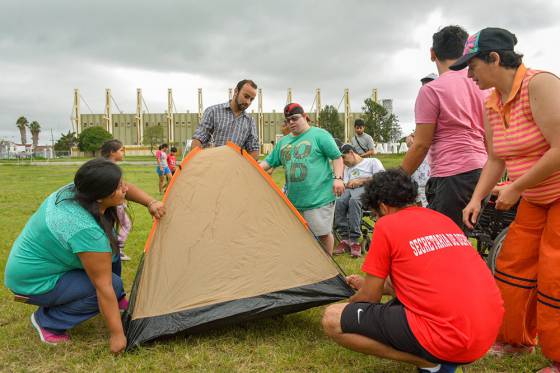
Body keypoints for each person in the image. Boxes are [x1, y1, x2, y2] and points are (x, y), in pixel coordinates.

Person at [322, 169, 504, 373]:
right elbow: (418, 280)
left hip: (450, 338)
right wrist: (367, 284)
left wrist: (351, 304)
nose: (376, 219)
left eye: (374, 214)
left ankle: (430, 362)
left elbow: (370, 299)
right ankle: (440, 356)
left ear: (382, 207)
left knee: (332, 318)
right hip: (486, 332)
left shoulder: (386, 224)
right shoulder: (441, 219)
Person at [457, 27, 560, 372]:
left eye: (472, 67)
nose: (469, 75)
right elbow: (496, 158)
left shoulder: (541, 84)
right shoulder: (492, 102)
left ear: (495, 59)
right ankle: (516, 341)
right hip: (535, 198)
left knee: (554, 274)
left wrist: (516, 187)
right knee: (513, 268)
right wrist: (476, 198)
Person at [5, 159, 133, 354]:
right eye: (118, 186)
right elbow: (103, 286)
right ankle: (48, 322)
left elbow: (124, 190)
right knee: (111, 285)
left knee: (110, 247)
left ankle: (119, 298)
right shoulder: (85, 231)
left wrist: (151, 202)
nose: (125, 188)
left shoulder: (78, 191)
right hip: (32, 281)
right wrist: (117, 334)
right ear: (100, 197)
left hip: (47, 265)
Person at [401, 25, 487, 230]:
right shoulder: (483, 84)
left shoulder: (432, 90)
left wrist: (397, 178)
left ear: (433, 53)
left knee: (447, 240)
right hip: (483, 169)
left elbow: (421, 144)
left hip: (452, 173)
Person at [260, 103, 345, 255]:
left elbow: (337, 157)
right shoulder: (283, 142)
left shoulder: (320, 135)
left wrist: (338, 178)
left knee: (323, 234)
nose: (291, 122)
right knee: (301, 237)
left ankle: (328, 271)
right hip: (294, 201)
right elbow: (268, 162)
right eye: (288, 120)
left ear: (305, 117)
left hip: (319, 198)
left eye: (294, 118)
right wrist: (249, 168)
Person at [334, 143, 384, 257]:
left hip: (368, 189)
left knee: (354, 201)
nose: (343, 161)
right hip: (350, 190)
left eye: (344, 157)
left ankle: (354, 240)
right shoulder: (347, 168)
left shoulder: (372, 162)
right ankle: (345, 238)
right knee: (339, 201)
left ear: (351, 153)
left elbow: (381, 178)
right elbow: (345, 183)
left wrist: (361, 180)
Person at [191, 79, 260, 160]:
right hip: (211, 166)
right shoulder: (213, 112)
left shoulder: (250, 121)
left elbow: (254, 150)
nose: (248, 102)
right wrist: (197, 162)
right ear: (236, 91)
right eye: (246, 96)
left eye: (251, 99)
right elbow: (198, 139)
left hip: (234, 169)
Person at [100, 139, 132, 262]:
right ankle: (119, 250)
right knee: (126, 224)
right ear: (112, 152)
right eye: (121, 150)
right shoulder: (111, 168)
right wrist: (122, 201)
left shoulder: (104, 166)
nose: (123, 153)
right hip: (115, 202)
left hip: (112, 202)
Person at [405, 133, 430, 207]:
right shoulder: (410, 156)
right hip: (418, 186)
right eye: (409, 146)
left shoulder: (427, 152)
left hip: (428, 185)